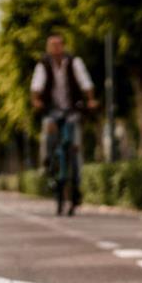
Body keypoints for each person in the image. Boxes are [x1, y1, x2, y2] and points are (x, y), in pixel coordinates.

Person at [30, 33, 97, 216]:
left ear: (64, 46)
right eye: (52, 45)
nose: (56, 48)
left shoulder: (74, 62)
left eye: (59, 44)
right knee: (49, 135)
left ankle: (77, 181)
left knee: (75, 146)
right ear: (48, 48)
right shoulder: (43, 64)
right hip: (52, 110)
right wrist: (36, 101)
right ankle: (48, 165)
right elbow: (36, 85)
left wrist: (90, 100)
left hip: (72, 110)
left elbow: (85, 81)